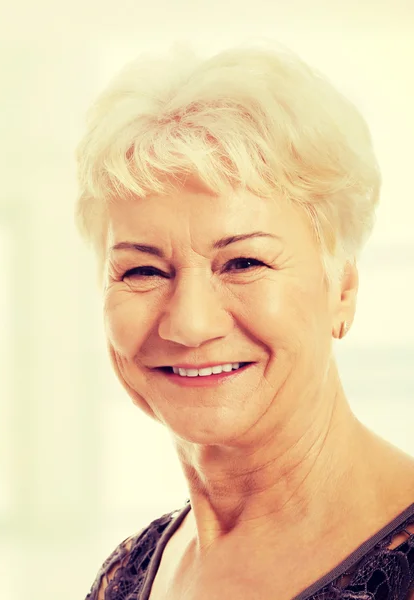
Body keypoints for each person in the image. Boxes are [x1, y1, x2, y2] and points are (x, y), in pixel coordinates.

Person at [74, 43, 414, 600]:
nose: (188, 323)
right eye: (142, 270)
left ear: (342, 289)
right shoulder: (129, 572)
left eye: (244, 262)